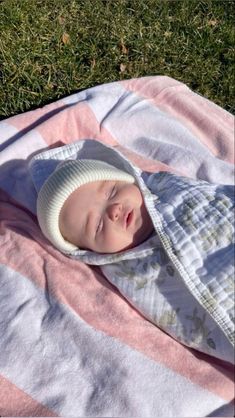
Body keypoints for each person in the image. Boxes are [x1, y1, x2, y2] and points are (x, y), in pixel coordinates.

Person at [35, 143, 234, 364]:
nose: (114, 210)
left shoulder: (171, 190)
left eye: (112, 192)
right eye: (98, 225)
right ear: (91, 252)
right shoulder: (128, 272)